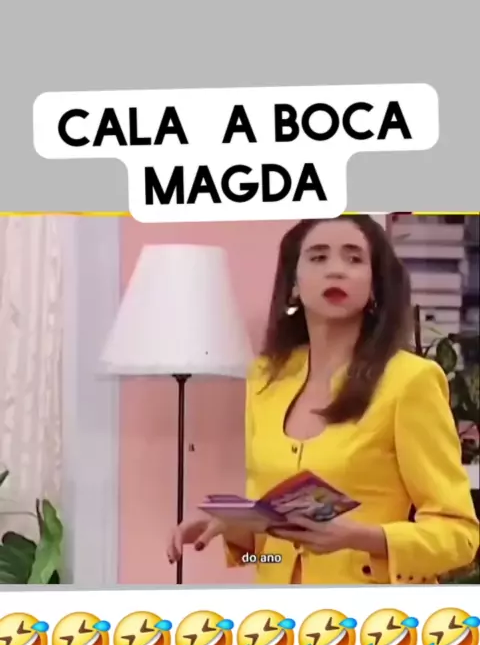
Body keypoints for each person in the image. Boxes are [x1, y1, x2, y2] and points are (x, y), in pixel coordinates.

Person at [168, 216, 479, 585]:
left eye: (354, 258)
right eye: (318, 257)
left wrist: (358, 537)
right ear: (294, 283)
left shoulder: (410, 380)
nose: (336, 270)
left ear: (374, 284)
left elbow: (460, 536)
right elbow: (265, 551)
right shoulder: (266, 377)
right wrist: (231, 526)